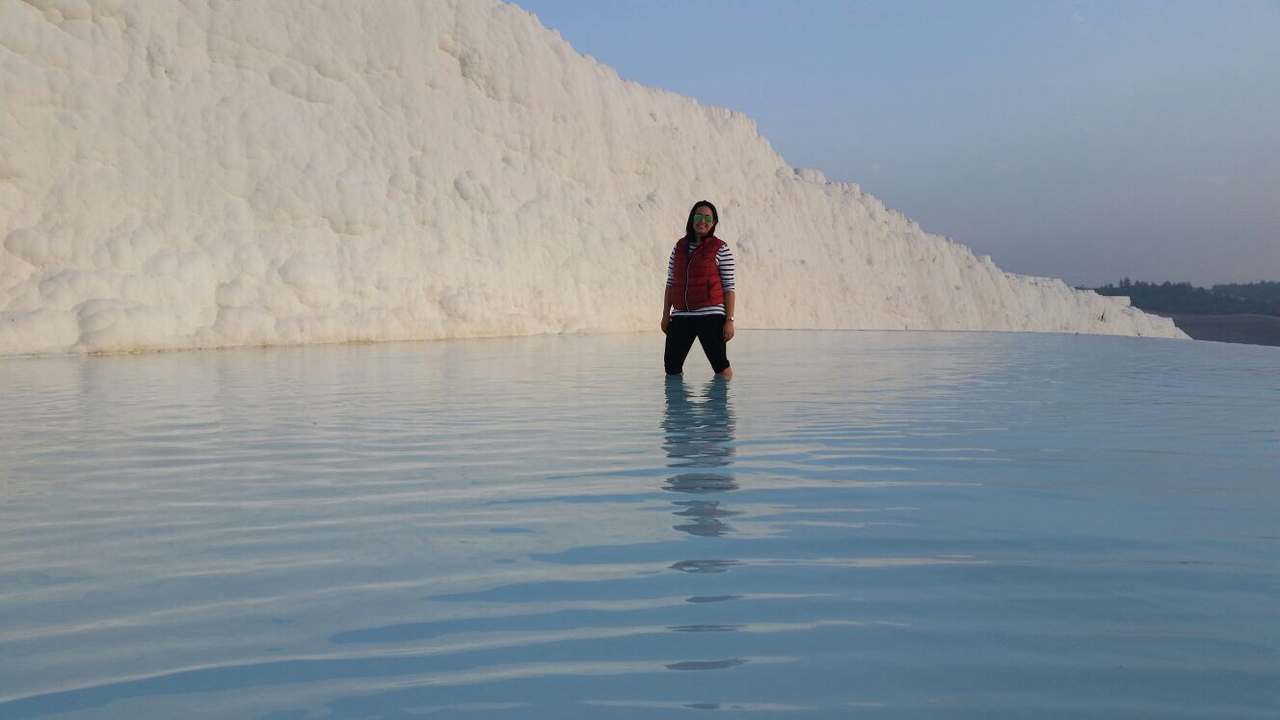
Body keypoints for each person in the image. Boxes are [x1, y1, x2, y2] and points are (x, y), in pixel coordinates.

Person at [661, 200, 736, 378]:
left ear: (714, 222)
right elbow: (671, 282)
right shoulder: (679, 247)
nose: (702, 220)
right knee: (671, 366)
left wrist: (730, 320)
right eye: (698, 216)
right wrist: (665, 315)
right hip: (681, 315)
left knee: (720, 364)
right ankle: (678, 406)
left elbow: (729, 287)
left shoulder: (721, 249)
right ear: (691, 219)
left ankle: (722, 404)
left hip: (710, 314)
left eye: (708, 217)